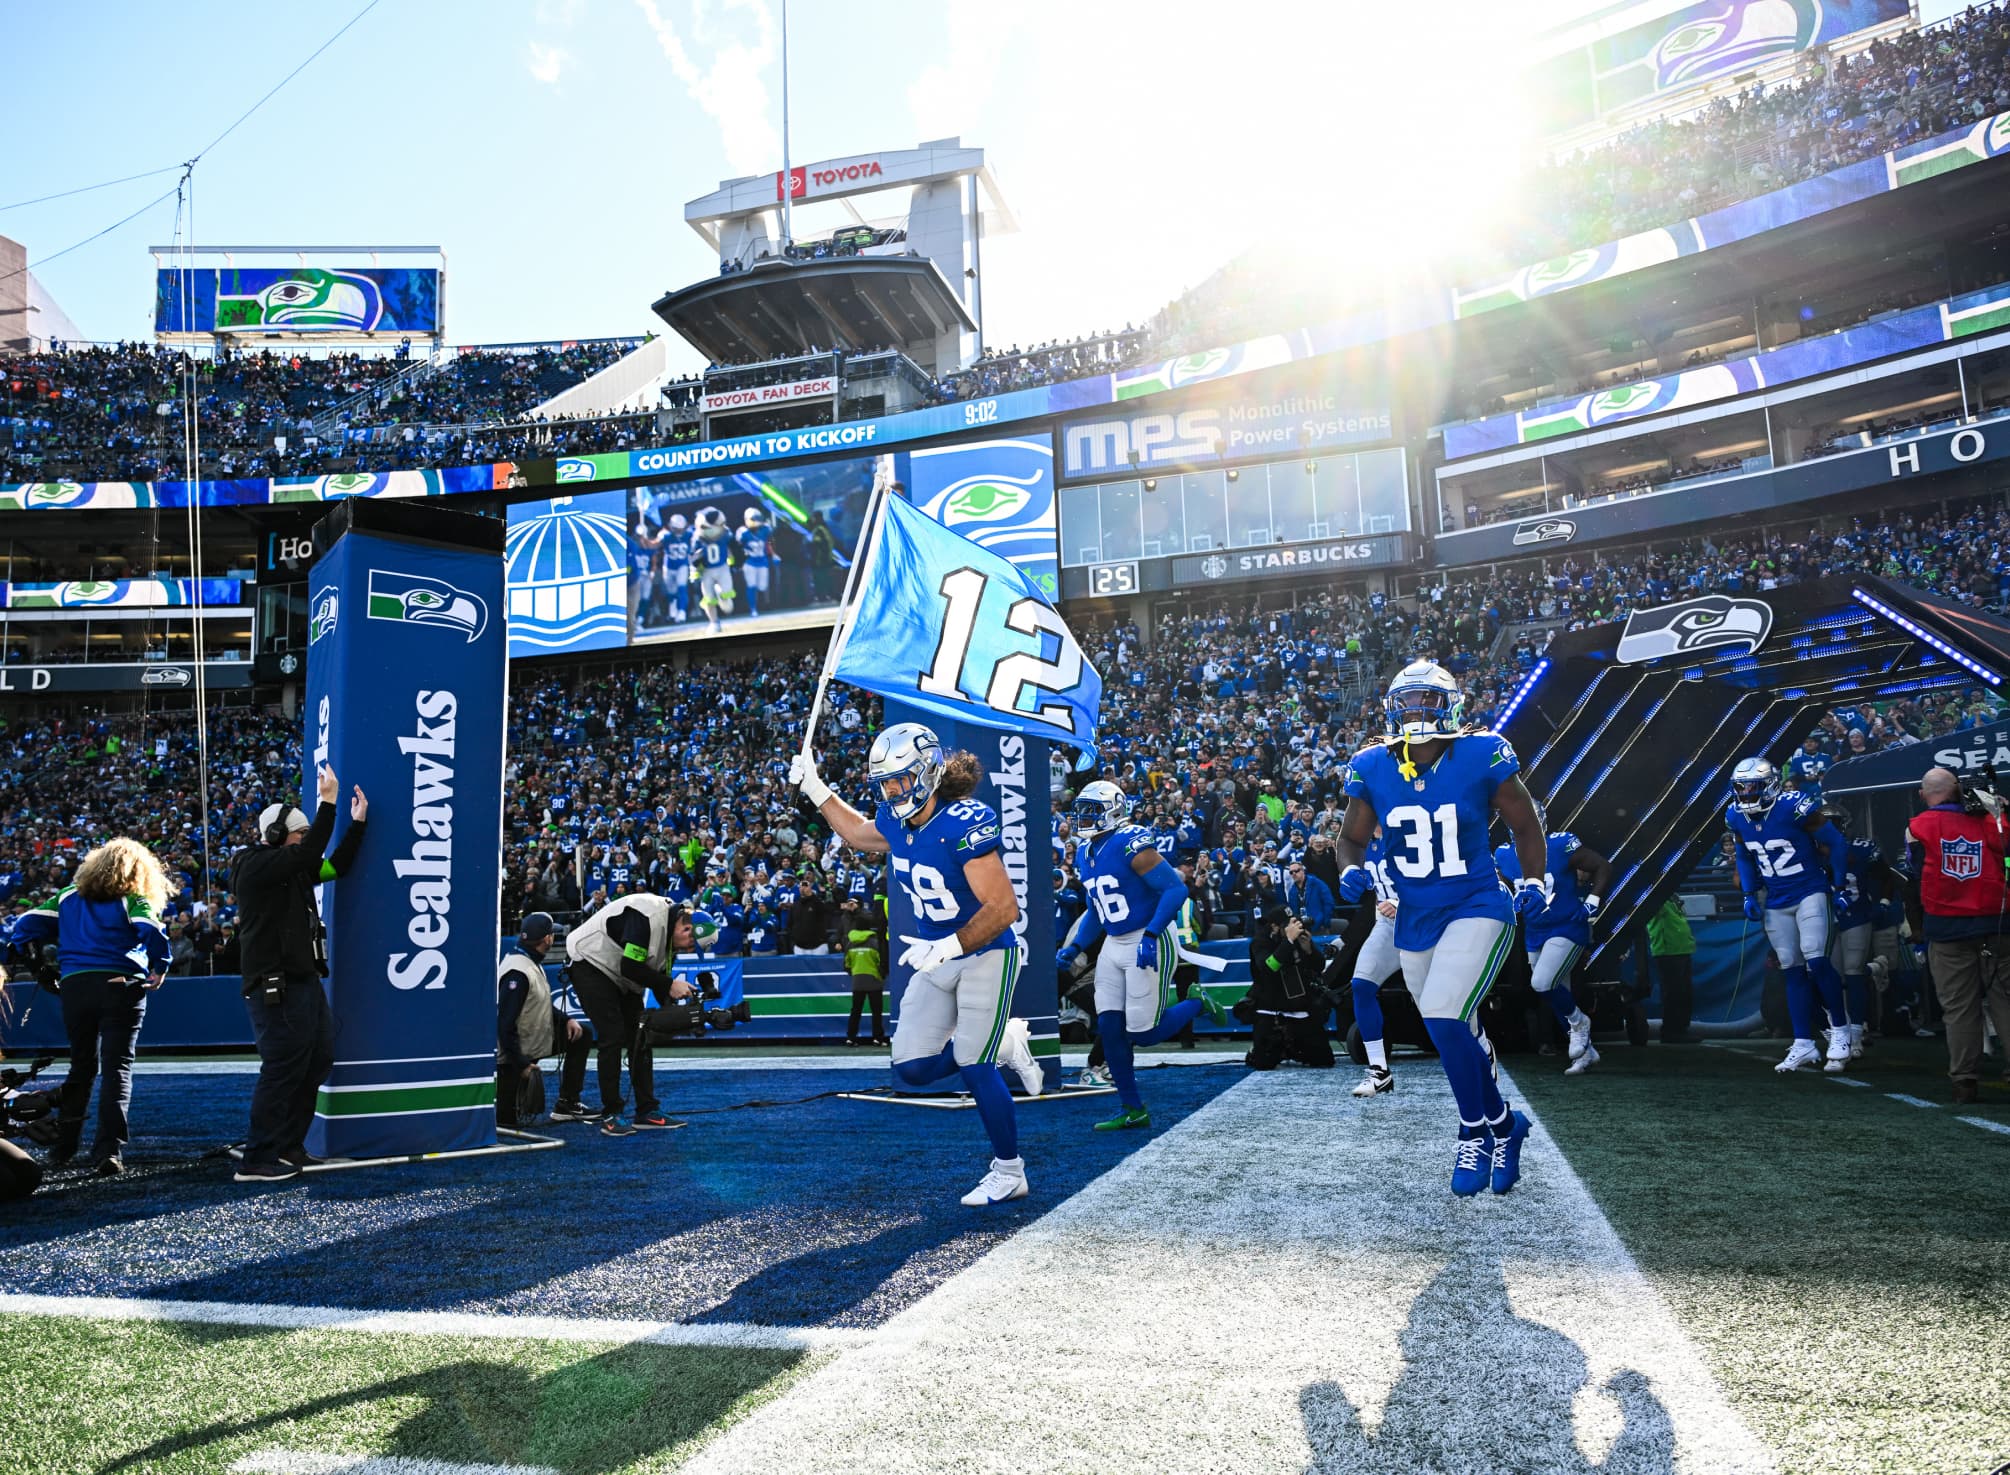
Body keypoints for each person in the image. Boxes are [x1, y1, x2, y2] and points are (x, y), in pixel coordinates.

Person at [792, 722, 1045, 1206]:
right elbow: (858, 833)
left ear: (927, 771)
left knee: (974, 1064)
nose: (891, 791)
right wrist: (816, 789)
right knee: (911, 1068)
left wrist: (951, 945)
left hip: (986, 952)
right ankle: (1007, 1041)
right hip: (935, 953)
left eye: (899, 779)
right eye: (884, 782)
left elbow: (1003, 909)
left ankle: (1010, 1172)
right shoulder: (896, 821)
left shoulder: (963, 822)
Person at [1336, 660, 1550, 1196]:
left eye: (1427, 700)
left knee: (1441, 1012)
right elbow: (1351, 838)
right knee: (1448, 1026)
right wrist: (1348, 869)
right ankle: (1506, 1124)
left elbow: (1526, 825)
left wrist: (1534, 880)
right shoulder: (1372, 763)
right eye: (1407, 702)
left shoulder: (1481, 752)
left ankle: (1473, 1132)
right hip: (1415, 915)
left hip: (1477, 902)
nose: (1416, 712)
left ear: (1450, 705)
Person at [228, 764, 367, 1183]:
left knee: (317, 1060)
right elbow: (309, 856)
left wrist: (357, 826)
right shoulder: (253, 864)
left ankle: (289, 1145)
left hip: (303, 980)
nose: (305, 840)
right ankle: (257, 1157)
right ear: (275, 835)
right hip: (276, 984)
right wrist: (329, 802)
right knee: (282, 1067)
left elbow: (334, 868)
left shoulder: (291, 869)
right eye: (299, 833)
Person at [1057, 780, 1222, 1131]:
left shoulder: (1129, 842)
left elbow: (1175, 889)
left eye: (1092, 810)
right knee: (1109, 1028)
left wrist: (1151, 934)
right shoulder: (1085, 852)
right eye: (1081, 810)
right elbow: (1096, 910)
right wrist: (1075, 946)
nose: (1083, 817)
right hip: (1114, 943)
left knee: (1144, 1034)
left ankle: (1196, 1001)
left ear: (1114, 810)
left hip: (1147, 936)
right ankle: (1133, 1108)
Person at [13, 837, 174, 1175]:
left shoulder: (68, 896)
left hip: (75, 987)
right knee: (117, 1068)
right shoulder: (132, 899)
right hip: (120, 985)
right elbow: (151, 929)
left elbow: (24, 925)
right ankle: (108, 1151)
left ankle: (64, 1146)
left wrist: (39, 967)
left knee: (81, 1066)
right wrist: (160, 966)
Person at [1726, 757, 1852, 1075]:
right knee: (1791, 969)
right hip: (1776, 899)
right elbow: (1742, 855)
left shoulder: (1793, 806)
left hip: (1810, 891)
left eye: (1752, 787)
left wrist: (1839, 886)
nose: (1746, 794)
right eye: (1741, 788)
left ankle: (1841, 1030)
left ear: (1769, 785)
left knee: (1817, 960)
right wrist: (1748, 893)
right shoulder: (1735, 815)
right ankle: (1803, 1042)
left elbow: (1836, 842)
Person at [1903, 766, 2010, 1105]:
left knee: (1959, 1009)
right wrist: (1997, 809)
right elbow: (2007, 850)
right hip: (1997, 923)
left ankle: (1964, 1082)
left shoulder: (1917, 826)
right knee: (2005, 1002)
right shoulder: (1991, 819)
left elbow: (1915, 874)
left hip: (1947, 928)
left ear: (1923, 794)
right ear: (1958, 790)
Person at [562, 892, 698, 1134]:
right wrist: (669, 985)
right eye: (692, 942)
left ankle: (647, 1110)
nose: (690, 948)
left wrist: (680, 1015)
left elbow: (654, 979)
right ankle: (611, 1113)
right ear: (686, 928)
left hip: (618, 972)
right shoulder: (646, 915)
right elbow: (631, 967)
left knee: (640, 1035)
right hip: (589, 960)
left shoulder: (669, 934)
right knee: (612, 1035)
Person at [1494, 830, 1611, 1076]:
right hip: (1535, 931)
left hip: (1567, 925)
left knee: (1542, 983)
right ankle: (1586, 1053)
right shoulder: (1504, 854)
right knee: (1558, 995)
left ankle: (1580, 1022)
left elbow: (1602, 865)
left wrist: (1592, 901)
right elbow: (1501, 888)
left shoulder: (1558, 845)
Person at [496, 912, 590, 1127]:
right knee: (506, 1122)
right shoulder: (518, 972)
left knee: (582, 1034)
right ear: (547, 939)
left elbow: (538, 1002)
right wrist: (522, 1064)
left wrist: (566, 1020)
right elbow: (504, 1024)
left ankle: (568, 1103)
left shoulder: (527, 961)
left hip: (530, 1041)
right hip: (513, 1054)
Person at [1335, 822, 1401, 1097]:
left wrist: (1402, 903)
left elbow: (1437, 882)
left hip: (1424, 922)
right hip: (1387, 924)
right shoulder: (1364, 843)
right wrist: (1349, 876)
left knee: (1440, 1003)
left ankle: (1478, 1048)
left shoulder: (1407, 831)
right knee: (1361, 985)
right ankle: (1379, 1070)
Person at [1827, 806, 1894, 1057]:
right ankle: (1874, 969)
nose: (1826, 827)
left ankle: (1855, 1035)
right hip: (1826, 918)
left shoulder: (1862, 847)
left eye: (1832, 822)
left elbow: (1886, 876)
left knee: (1852, 972)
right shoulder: (1810, 848)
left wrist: (1883, 903)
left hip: (1856, 914)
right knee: (1835, 977)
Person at [1242, 903, 1333, 1069]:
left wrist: (1309, 950)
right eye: (1288, 925)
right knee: (1263, 1063)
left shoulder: (1298, 938)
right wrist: (1289, 942)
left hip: (1299, 1007)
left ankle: (1293, 1049)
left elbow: (1319, 966)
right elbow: (1269, 968)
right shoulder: (1260, 942)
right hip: (1270, 1008)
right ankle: (1259, 1050)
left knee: (1324, 1059)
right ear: (1274, 927)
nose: (1293, 928)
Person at [1646, 898, 1697, 1043]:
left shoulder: (1671, 897)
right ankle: (1671, 1031)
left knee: (1683, 993)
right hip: (1668, 950)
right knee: (1674, 993)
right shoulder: (1655, 897)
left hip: (1681, 948)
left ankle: (1680, 1029)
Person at [841, 897, 888, 1046]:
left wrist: (854, 973)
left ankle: (851, 1037)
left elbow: (847, 964)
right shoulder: (874, 942)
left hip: (857, 981)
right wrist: (881, 974)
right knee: (876, 1011)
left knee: (856, 1010)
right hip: (874, 980)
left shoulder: (850, 943)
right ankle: (878, 1038)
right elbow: (880, 961)